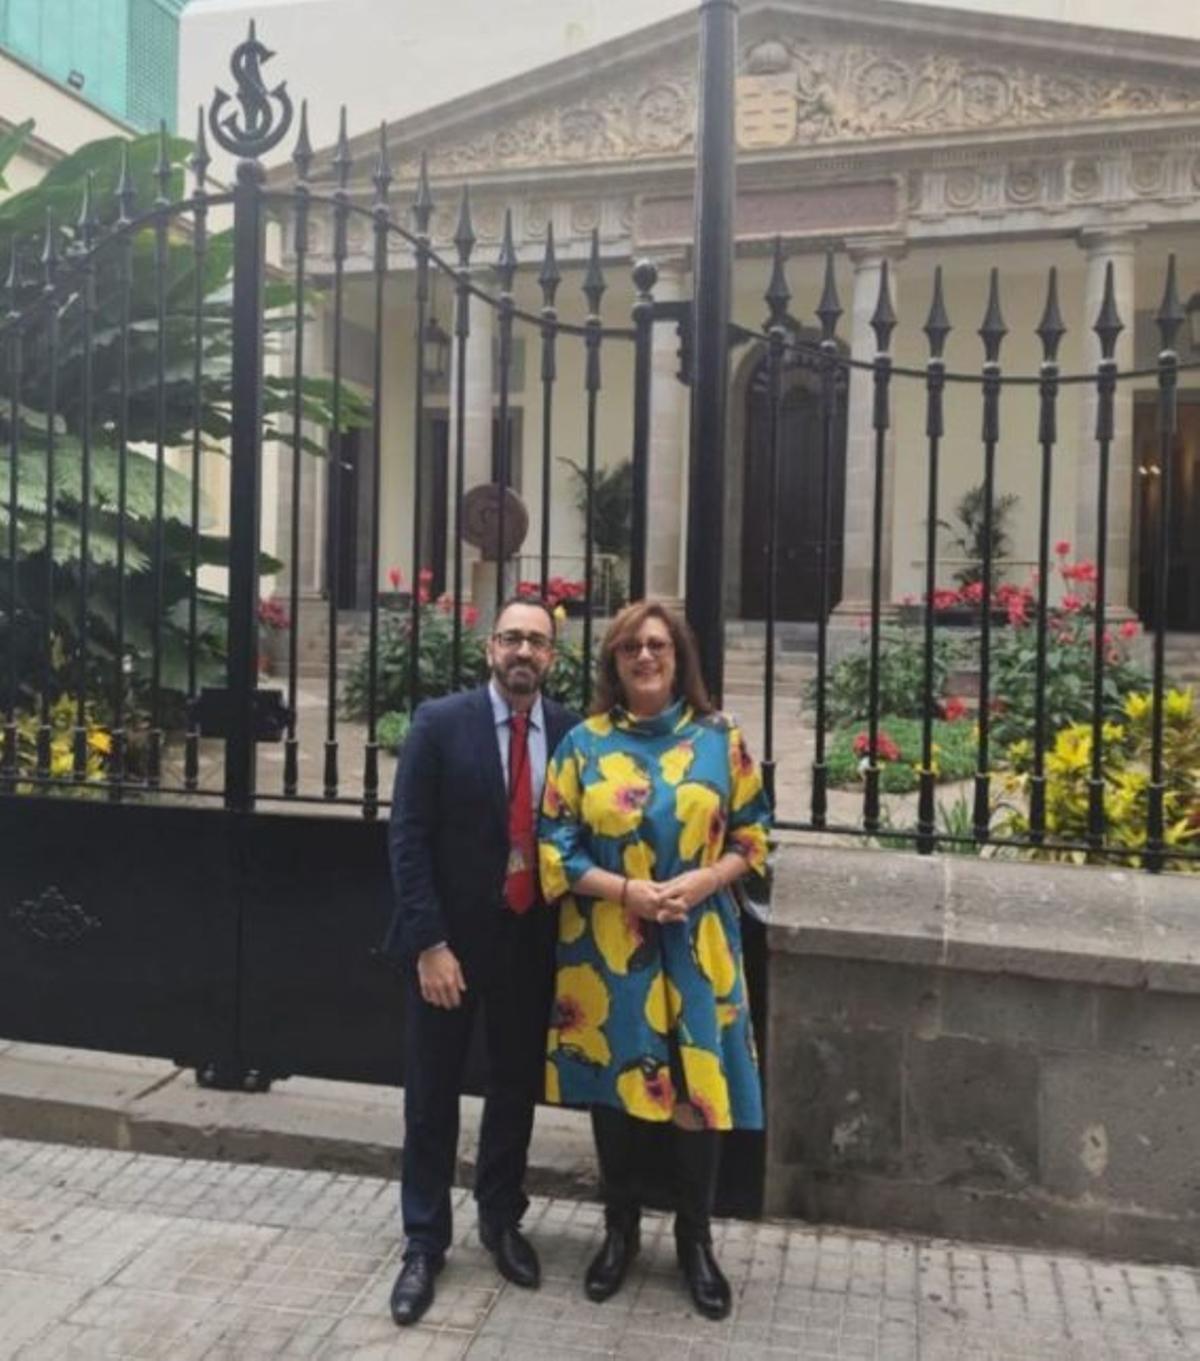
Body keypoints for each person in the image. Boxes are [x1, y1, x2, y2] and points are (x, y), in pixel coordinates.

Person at [538, 600, 770, 1320]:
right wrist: (628, 890)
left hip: (698, 943)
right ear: (613, 659)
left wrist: (702, 880)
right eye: (631, 646)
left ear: (680, 658)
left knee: (697, 1092)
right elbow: (555, 846)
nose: (645, 656)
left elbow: (754, 836)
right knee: (618, 1087)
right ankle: (619, 1233)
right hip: (611, 939)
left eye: (659, 645)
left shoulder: (720, 739)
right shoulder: (581, 744)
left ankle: (695, 1241)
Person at [384, 595, 580, 1327]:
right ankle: (423, 1240)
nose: (522, 652)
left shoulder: (569, 733)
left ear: (552, 656)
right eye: (511, 638)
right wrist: (428, 943)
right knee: (431, 1094)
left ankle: (501, 1219)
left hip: (530, 941)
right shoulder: (441, 724)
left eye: (536, 641)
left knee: (514, 1088)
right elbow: (406, 837)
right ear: (489, 648)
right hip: (450, 948)